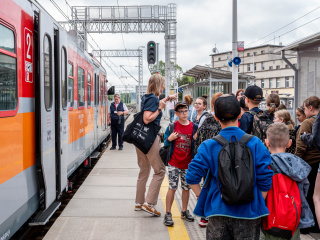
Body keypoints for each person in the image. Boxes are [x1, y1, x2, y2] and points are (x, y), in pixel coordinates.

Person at [186, 94, 273, 240]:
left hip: (218, 211)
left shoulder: (209, 145)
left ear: (216, 117)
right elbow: (265, 178)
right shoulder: (256, 143)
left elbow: (191, 176)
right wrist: (256, 198)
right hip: (249, 212)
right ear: (240, 114)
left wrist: (203, 196)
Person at [134, 73, 177, 217]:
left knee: (144, 170)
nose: (164, 86)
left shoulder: (146, 97)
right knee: (160, 171)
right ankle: (150, 203)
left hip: (140, 138)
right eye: (163, 84)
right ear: (158, 84)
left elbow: (152, 106)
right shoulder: (153, 99)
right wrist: (159, 109)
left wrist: (167, 99)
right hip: (150, 139)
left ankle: (139, 202)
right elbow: (147, 119)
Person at [262, 123, 314, 240]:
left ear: (267, 142)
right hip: (292, 219)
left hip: (269, 219)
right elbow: (304, 190)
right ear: (289, 143)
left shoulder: (265, 164)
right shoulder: (298, 165)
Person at [163, 101, 198, 226]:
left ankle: (184, 210)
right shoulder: (172, 126)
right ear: (176, 113)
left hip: (188, 164)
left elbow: (197, 144)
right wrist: (169, 139)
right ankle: (168, 213)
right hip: (174, 162)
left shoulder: (194, 127)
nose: (184, 113)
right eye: (181, 112)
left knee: (186, 188)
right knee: (172, 187)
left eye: (186, 111)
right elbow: (165, 142)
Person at [194, 92, 222, 228]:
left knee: (207, 185)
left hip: (209, 166)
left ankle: (205, 215)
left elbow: (197, 145)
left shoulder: (206, 124)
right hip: (225, 167)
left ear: (211, 106)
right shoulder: (233, 126)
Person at [295, 96, 320, 233]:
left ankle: (309, 226)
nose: (304, 111)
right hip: (319, 164)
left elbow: (301, 146)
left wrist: (295, 163)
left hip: (309, 164)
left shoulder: (307, 123)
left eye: (304, 108)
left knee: (308, 196)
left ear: (310, 108)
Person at [302, 111, 320, 229]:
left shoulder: (307, 122)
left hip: (311, 162)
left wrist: (305, 137)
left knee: (317, 197)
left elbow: (317, 140)